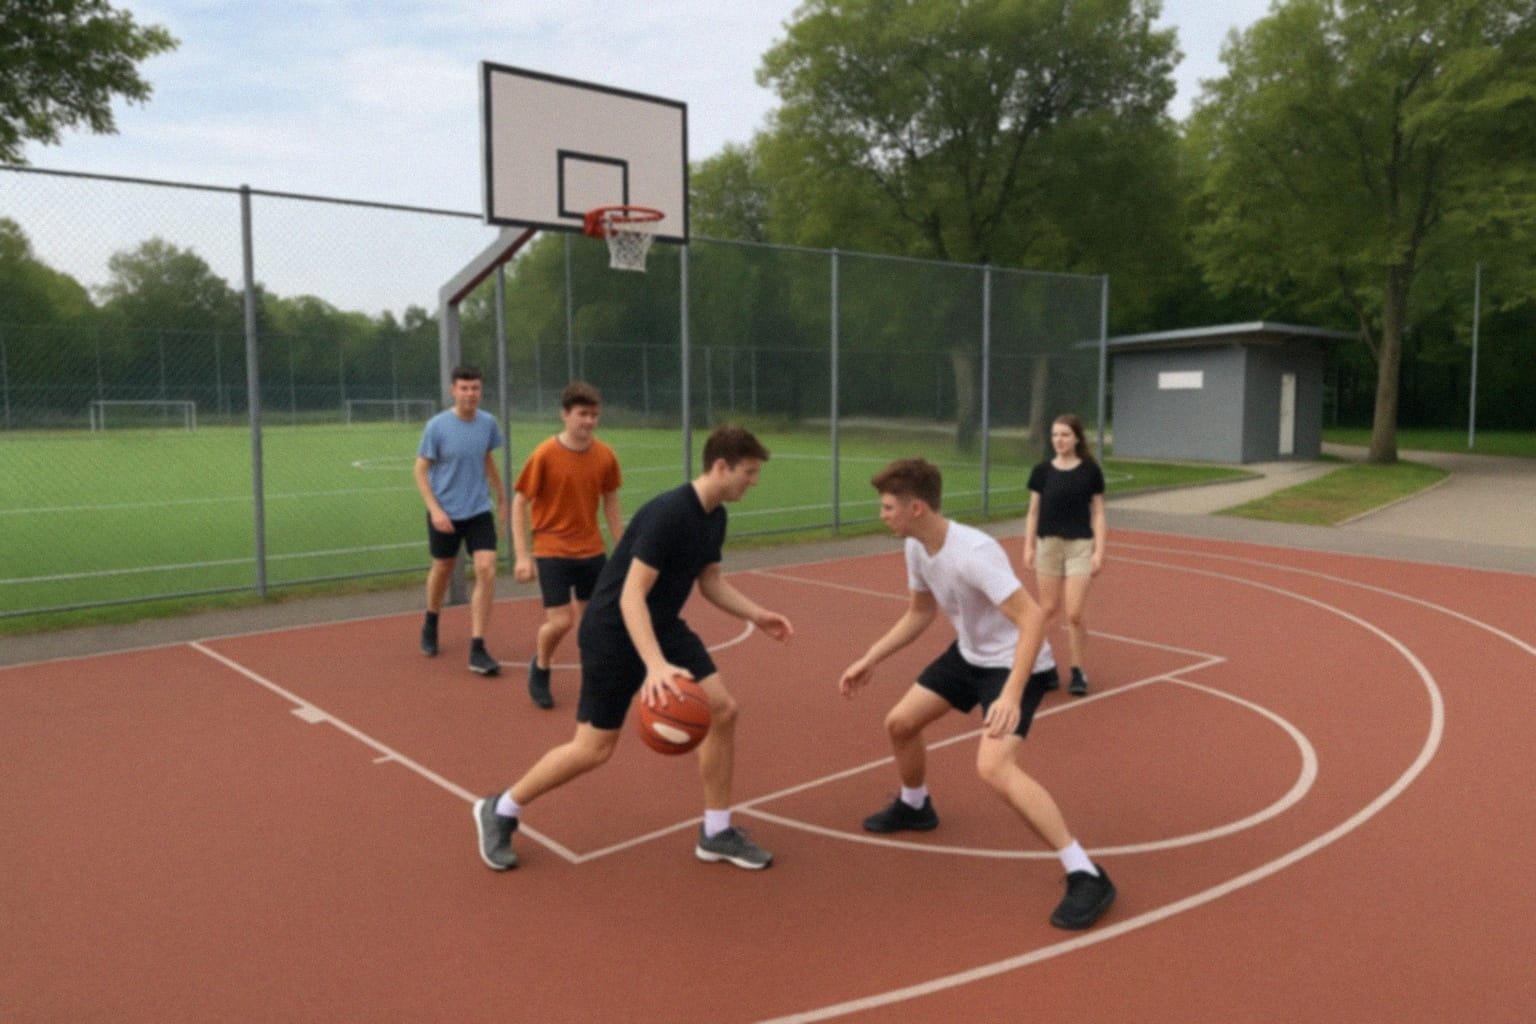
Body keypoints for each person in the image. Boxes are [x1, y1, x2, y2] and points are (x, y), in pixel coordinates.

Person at [474, 425, 794, 872]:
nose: (754, 481)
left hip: (662, 625)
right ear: (721, 467)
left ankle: (716, 831)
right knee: (593, 748)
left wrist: (757, 614)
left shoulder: (715, 516)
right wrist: (656, 666)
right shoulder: (669, 513)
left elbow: (710, 582)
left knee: (722, 710)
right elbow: (630, 595)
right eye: (749, 472)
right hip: (612, 631)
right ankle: (501, 808)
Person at [838, 457, 1115, 930]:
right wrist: (871, 657)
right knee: (900, 724)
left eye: (888, 507)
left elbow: (1033, 618)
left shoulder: (973, 552)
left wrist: (1011, 693)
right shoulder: (916, 547)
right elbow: (919, 612)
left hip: (1014, 662)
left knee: (993, 767)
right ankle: (915, 805)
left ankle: (1085, 873)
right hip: (970, 655)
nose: (882, 515)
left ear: (916, 508)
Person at [511, 381, 624, 710]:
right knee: (561, 622)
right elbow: (520, 502)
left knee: (593, 623)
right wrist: (522, 556)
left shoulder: (605, 455)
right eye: (582, 414)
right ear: (565, 415)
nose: (589, 421)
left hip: (591, 550)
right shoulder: (545, 454)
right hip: (552, 550)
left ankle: (594, 679)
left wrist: (623, 546)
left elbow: (611, 501)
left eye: (594, 415)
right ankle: (541, 665)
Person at [413, 365, 508, 676]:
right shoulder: (437, 426)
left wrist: (502, 496)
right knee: (443, 567)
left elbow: (486, 458)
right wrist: (435, 510)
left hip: (478, 510)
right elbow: (420, 470)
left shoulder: (488, 423)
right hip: (446, 510)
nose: (470, 394)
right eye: (464, 388)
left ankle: (478, 646)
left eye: (475, 388)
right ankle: (431, 620)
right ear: (453, 390)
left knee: (486, 568)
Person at [1023, 413, 1107, 697]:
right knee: (1047, 610)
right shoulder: (1042, 471)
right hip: (1048, 545)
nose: (1059, 440)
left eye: (1065, 435)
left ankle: (1077, 670)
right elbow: (1033, 512)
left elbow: (1099, 513)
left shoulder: (1090, 471)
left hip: (1079, 546)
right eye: (1055, 435)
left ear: (1077, 438)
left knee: (1074, 613)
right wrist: (1029, 546)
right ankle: (1042, 667)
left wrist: (1099, 551)